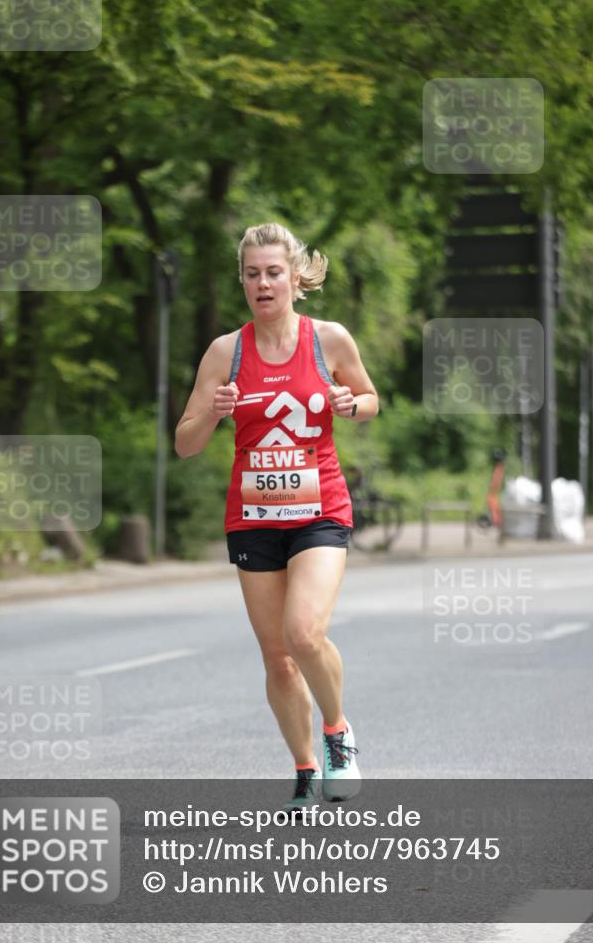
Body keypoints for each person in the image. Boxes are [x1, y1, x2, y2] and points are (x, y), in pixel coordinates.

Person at [174, 222, 379, 812]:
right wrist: (212, 413)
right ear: (241, 280)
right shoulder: (225, 352)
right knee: (277, 657)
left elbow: (370, 398)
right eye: (251, 274)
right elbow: (185, 443)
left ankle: (338, 734)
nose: (262, 283)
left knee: (303, 631)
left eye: (273, 272)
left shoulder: (329, 341)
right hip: (253, 518)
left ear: (293, 277)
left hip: (320, 512)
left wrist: (351, 403)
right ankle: (305, 768)